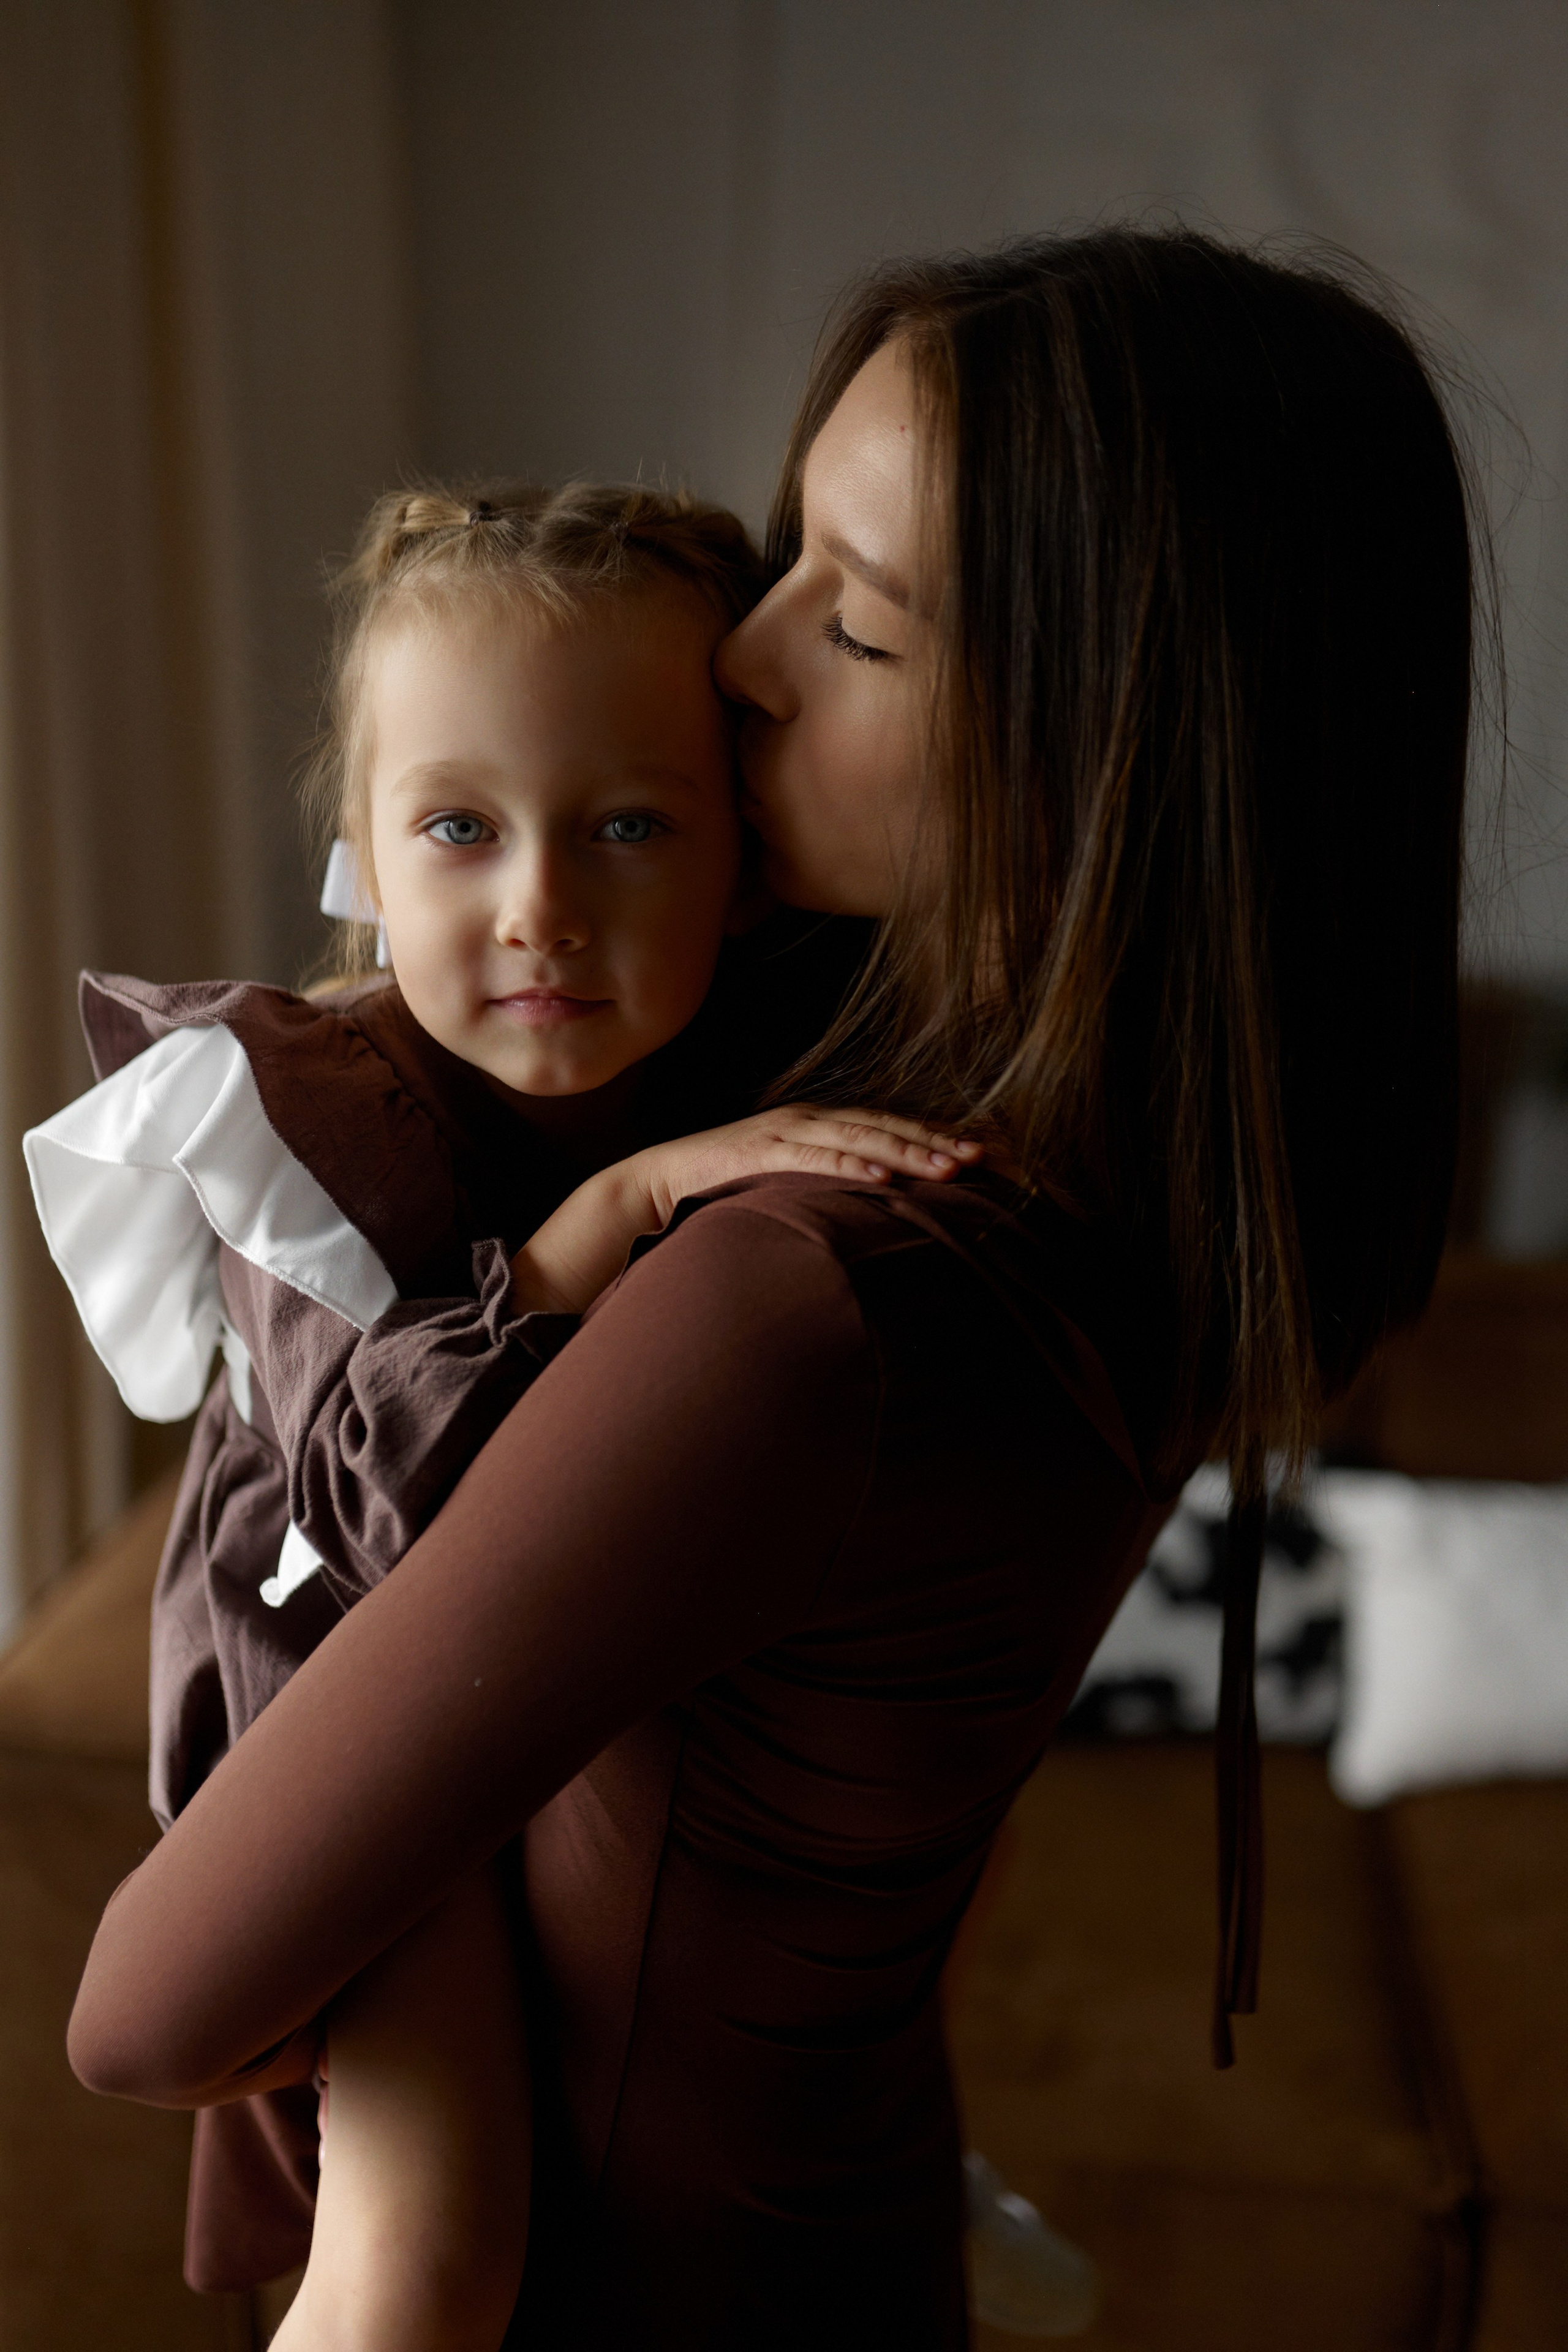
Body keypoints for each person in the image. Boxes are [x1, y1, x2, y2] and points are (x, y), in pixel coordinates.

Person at [66, 227, 1475, 2350]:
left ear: (1101, 749)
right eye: (792, 552)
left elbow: (150, 2010)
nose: (739, 654)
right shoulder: (1138, 1190)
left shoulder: (797, 1300)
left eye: (864, 626)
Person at [28, 480, 972, 2343]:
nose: (542, 908)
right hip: (328, 1686)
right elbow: (364, 1488)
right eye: (459, 830)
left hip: (556, 1684)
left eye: (630, 826)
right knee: (426, 2265)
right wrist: (611, 1219)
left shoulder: (754, 1048)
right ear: (368, 858)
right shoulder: (315, 1122)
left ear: (743, 858)